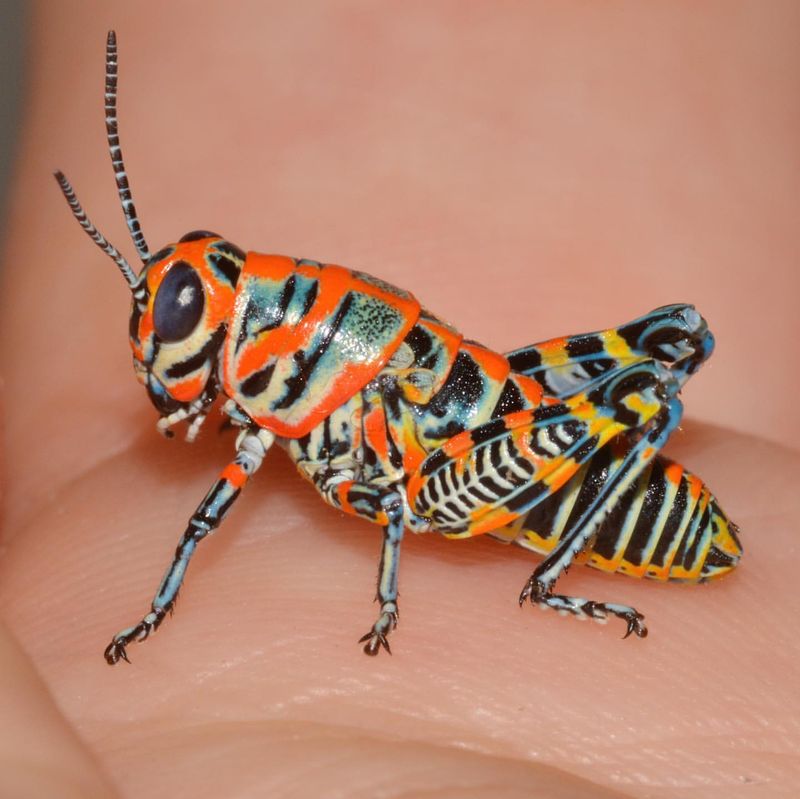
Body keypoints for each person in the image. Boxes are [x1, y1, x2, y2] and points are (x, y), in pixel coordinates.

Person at [1, 4, 798, 797]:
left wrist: (385, 607)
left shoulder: (316, 377)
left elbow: (391, 500)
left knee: (434, 472)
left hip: (499, 476)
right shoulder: (282, 383)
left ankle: (549, 583)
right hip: (471, 433)